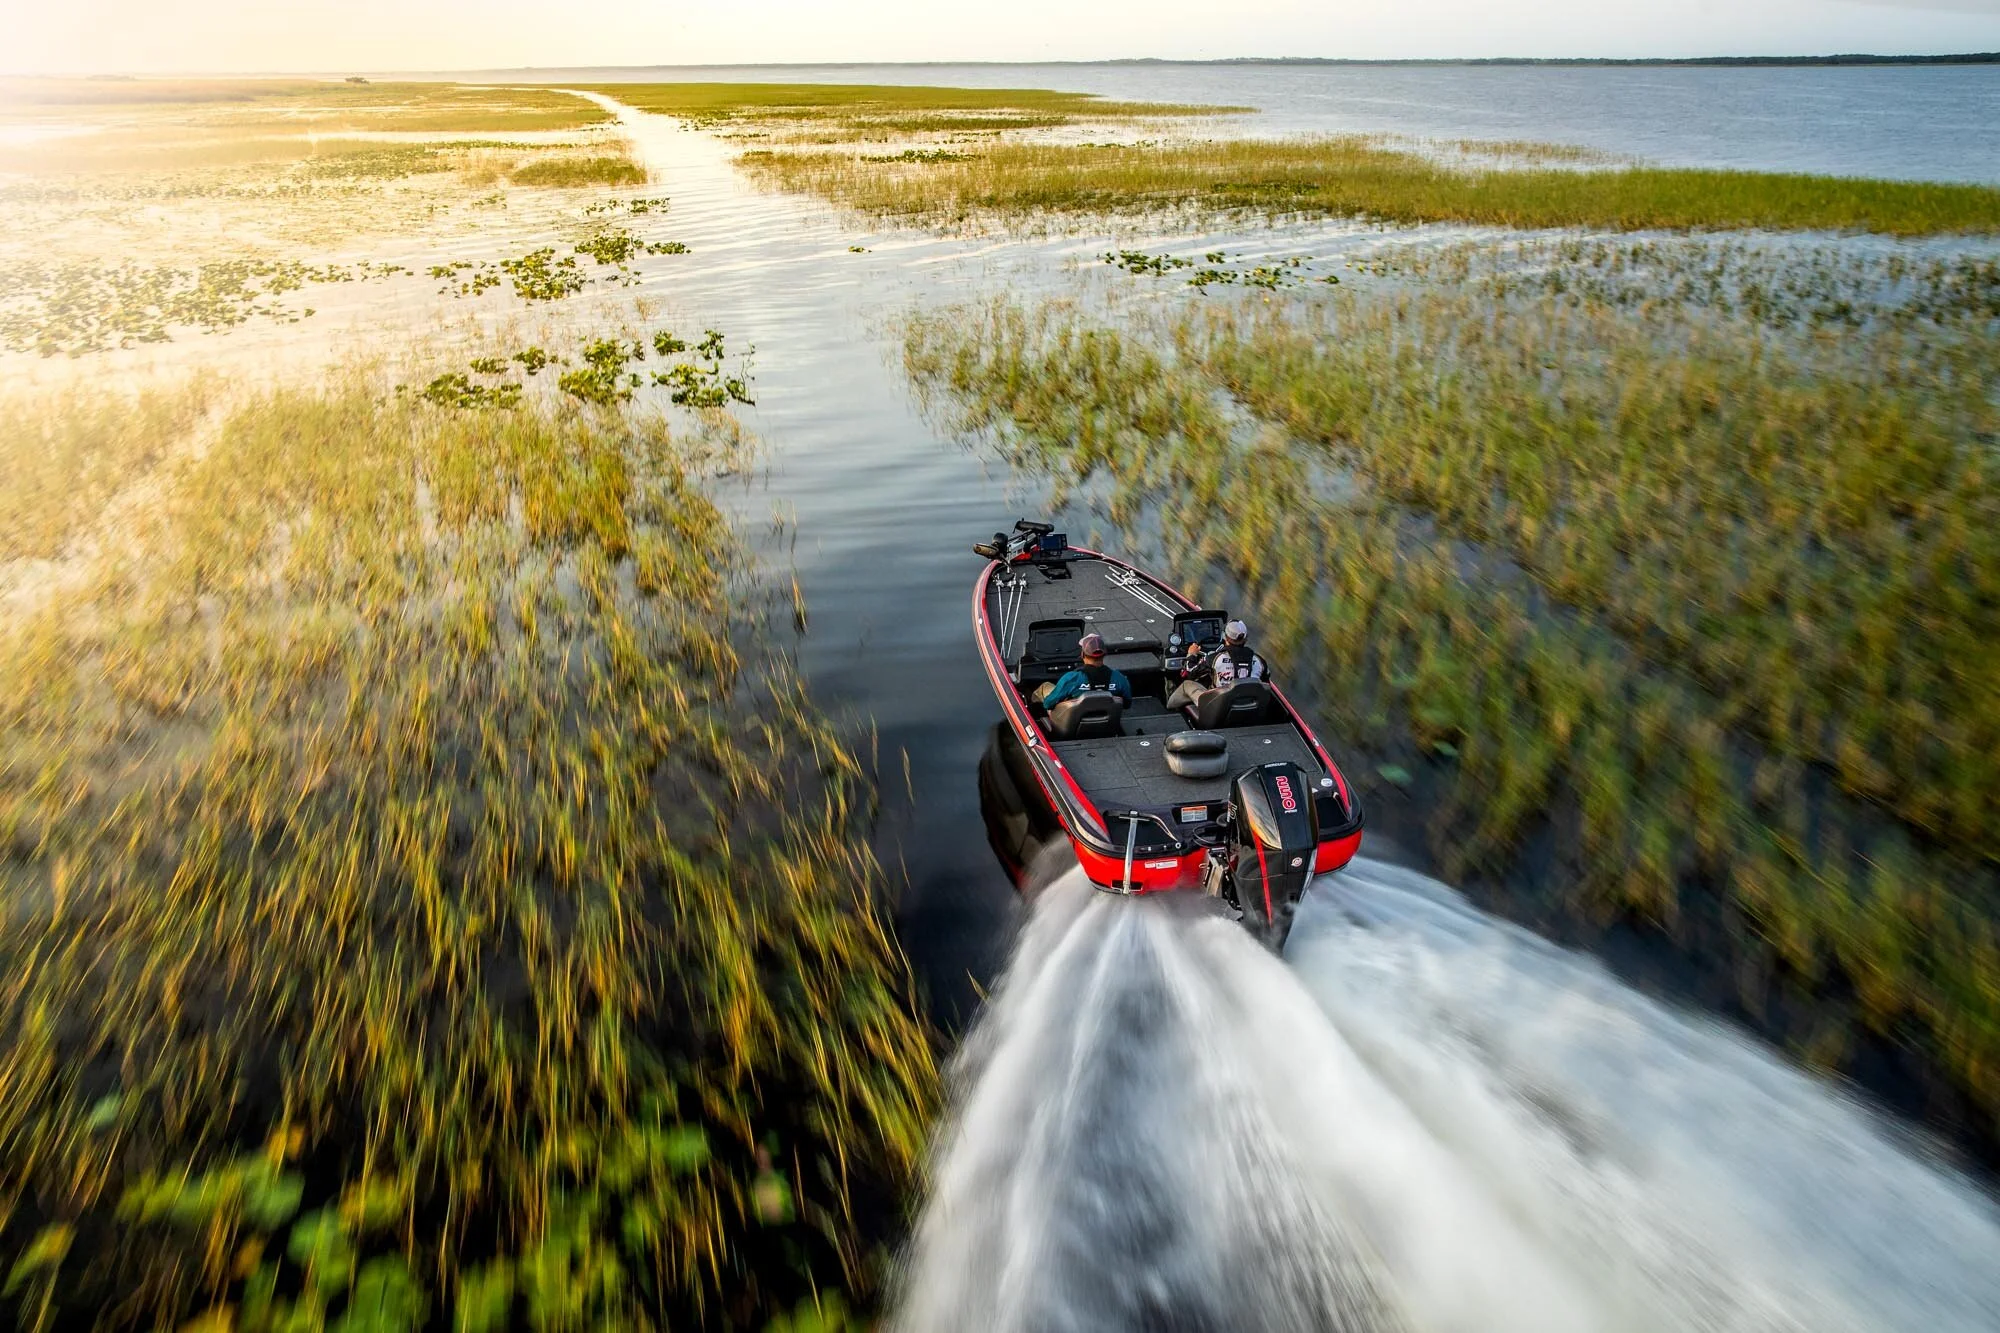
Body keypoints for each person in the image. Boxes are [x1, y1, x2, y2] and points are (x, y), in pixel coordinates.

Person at [1167, 619, 1269, 712]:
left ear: (1224, 637)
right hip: (1251, 708)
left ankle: (1169, 709)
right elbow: (1265, 683)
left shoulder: (1214, 659)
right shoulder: (1260, 662)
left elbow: (1189, 672)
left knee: (1187, 684)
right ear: (1246, 638)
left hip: (1218, 710)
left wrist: (1192, 654)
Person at [1034, 632, 1134, 711]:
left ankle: (1032, 711)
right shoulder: (1120, 678)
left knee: (1045, 686)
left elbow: (1048, 704)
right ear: (1104, 654)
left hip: (1070, 724)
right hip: (1108, 723)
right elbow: (1127, 704)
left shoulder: (1072, 678)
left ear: (1082, 654)